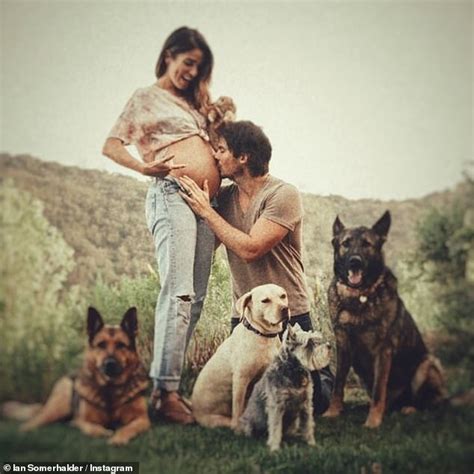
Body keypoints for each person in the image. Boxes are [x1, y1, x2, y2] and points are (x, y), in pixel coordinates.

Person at [102, 27, 220, 424]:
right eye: (188, 62)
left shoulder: (191, 105)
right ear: (169, 55)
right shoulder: (145, 97)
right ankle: (164, 392)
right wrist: (145, 167)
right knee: (179, 293)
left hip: (205, 204)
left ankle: (167, 388)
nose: (192, 72)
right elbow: (112, 144)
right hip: (172, 193)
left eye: (199, 67)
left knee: (198, 296)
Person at [179, 120, 334, 415]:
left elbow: (251, 248)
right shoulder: (224, 199)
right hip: (247, 314)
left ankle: (326, 381)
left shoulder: (283, 194)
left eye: (221, 149)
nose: (216, 156)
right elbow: (211, 245)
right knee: (253, 397)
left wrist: (206, 213)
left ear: (243, 157)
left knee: (314, 402)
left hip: (290, 311)